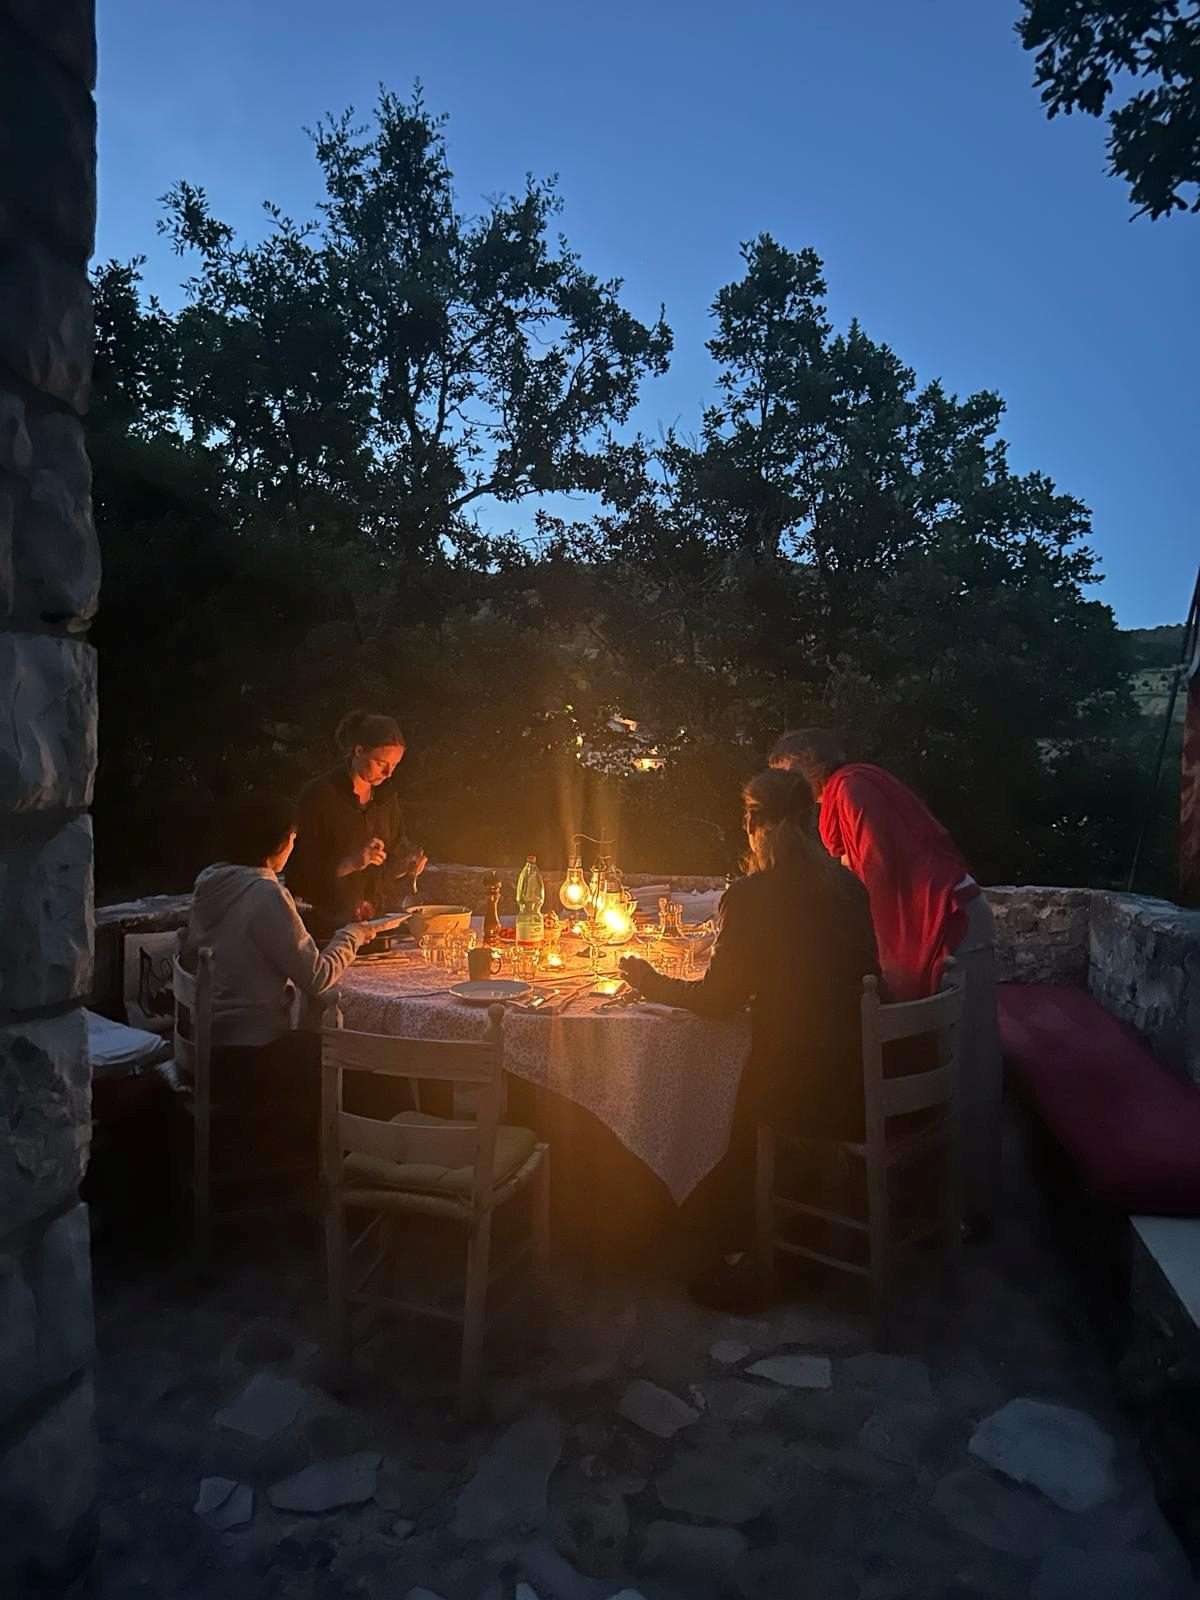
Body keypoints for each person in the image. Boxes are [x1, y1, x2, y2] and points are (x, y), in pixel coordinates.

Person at [619, 769, 879, 1310]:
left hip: (805, 1090)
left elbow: (718, 1002)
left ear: (752, 822)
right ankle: (780, 1239)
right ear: (811, 819)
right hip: (861, 1073)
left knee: (717, 1098)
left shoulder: (754, 896)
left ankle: (755, 1258)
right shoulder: (849, 888)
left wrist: (645, 979)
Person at [768, 728, 1002, 1235]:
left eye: (782, 774)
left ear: (803, 764)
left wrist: (860, 947)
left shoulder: (851, 787)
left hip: (950, 924)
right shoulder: (855, 787)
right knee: (946, 1060)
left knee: (967, 1067)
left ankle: (970, 1208)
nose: (779, 789)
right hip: (943, 920)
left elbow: (877, 871)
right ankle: (938, 1202)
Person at [181, 794, 405, 1154]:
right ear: (279, 842)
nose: (294, 846)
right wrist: (353, 934)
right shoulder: (265, 893)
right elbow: (317, 977)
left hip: (209, 1046)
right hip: (249, 1056)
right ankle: (355, 1170)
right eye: (294, 839)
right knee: (369, 1064)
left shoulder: (213, 881)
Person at [287, 711, 428, 941]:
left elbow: (390, 859)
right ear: (358, 751)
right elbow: (298, 874)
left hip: (375, 926)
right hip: (326, 930)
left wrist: (407, 864)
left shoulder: (385, 799)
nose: (388, 773)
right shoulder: (320, 797)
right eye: (381, 763)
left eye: (394, 765)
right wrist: (349, 864)